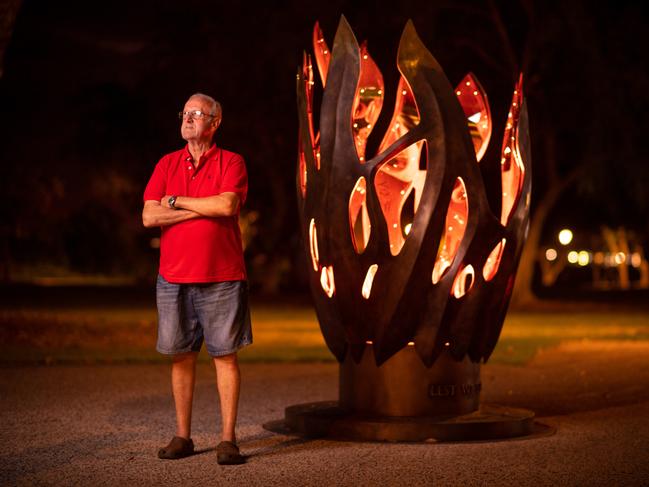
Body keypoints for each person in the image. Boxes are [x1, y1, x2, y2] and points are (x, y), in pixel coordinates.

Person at [142, 93, 251, 465]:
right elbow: (148, 217)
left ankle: (227, 440)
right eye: (185, 113)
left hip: (221, 277)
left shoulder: (232, 161)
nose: (188, 119)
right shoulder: (166, 163)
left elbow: (226, 206)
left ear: (214, 122)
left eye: (197, 113)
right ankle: (182, 436)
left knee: (225, 357)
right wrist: (197, 208)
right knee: (180, 357)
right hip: (173, 278)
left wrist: (176, 202)